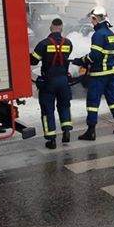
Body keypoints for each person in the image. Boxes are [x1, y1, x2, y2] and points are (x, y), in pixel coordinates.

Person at [72, 6, 114, 140]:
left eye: (92, 19)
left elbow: (95, 56)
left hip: (99, 75)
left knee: (93, 102)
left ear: (96, 19)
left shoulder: (98, 35)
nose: (91, 22)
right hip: (111, 74)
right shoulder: (111, 34)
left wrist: (81, 61)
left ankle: (91, 131)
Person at [29, 18, 74, 150]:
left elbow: (33, 61)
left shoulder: (43, 44)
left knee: (48, 109)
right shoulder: (68, 43)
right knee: (64, 105)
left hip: (48, 81)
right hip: (64, 80)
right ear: (62, 28)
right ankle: (66, 131)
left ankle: (51, 139)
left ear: (50, 27)